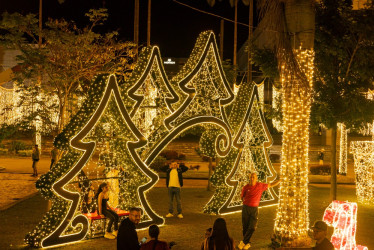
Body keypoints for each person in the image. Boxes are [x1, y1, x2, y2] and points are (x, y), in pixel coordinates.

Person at [238, 172, 280, 250]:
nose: (252, 178)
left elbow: (271, 185)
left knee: (252, 227)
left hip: (254, 209)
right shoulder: (245, 187)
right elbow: (242, 197)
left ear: (256, 178)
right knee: (245, 226)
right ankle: (246, 244)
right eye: (251, 177)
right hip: (246, 208)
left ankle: (243, 242)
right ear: (249, 178)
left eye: (253, 177)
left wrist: (279, 181)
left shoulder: (260, 186)